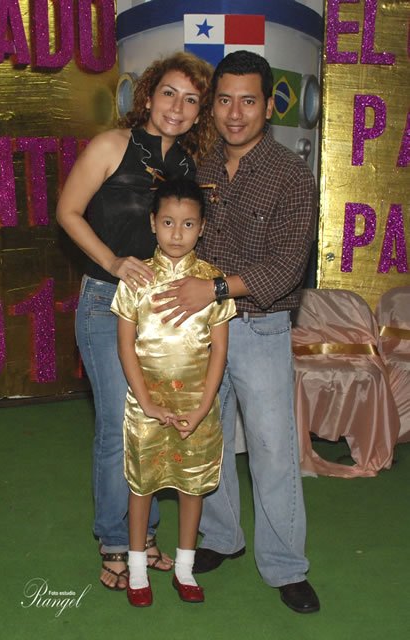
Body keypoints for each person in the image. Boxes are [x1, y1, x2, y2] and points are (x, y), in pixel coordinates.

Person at [151, 50, 320, 614]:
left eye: (248, 101)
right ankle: (222, 537)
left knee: (273, 451)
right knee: (206, 439)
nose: (235, 113)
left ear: (269, 106)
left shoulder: (291, 175)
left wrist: (216, 288)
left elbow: (287, 267)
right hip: (198, 329)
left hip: (259, 327)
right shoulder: (196, 168)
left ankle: (286, 566)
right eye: (224, 100)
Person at [56, 52, 216, 591]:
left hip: (164, 315)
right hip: (106, 302)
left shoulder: (187, 168)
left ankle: (143, 533)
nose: (178, 107)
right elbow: (67, 211)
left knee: (153, 422)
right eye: (169, 93)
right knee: (115, 428)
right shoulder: (110, 145)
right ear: (148, 95)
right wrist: (112, 262)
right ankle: (114, 539)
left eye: (191, 100)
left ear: (199, 113)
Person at [111, 178, 236, 607]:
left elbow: (220, 350)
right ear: (152, 223)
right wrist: (145, 401)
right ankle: (137, 570)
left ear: (202, 228)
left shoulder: (212, 282)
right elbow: (125, 345)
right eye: (167, 222)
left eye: (187, 224)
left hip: (196, 408)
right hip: (145, 405)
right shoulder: (136, 280)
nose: (177, 234)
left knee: (192, 487)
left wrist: (203, 408)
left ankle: (185, 567)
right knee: (141, 485)